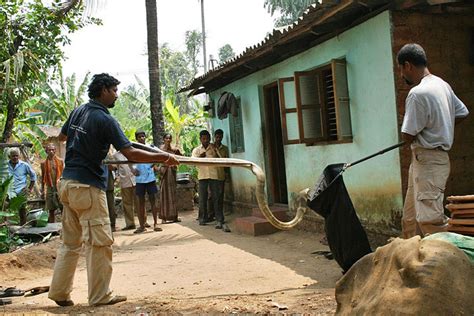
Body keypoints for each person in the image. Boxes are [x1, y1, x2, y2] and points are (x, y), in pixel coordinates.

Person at [48, 73, 179, 307]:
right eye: (114, 90)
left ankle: (59, 292)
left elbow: (63, 136)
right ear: (103, 90)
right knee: (99, 243)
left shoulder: (79, 111)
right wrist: (164, 156)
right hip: (87, 186)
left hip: (67, 183)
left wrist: (86, 147)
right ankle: (99, 296)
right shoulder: (105, 120)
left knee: (70, 242)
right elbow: (130, 153)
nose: (117, 95)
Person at [398, 43, 469, 238]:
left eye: (400, 70)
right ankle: (410, 263)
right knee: (410, 220)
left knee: (430, 221)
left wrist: (435, 129)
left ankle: (460, 257)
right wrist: (441, 126)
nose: (401, 75)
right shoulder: (442, 85)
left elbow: (408, 134)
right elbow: (462, 112)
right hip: (425, 161)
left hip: (429, 160)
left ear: (407, 66)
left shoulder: (417, 93)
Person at [134, 130, 161, 234]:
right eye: (140, 137)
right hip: (140, 179)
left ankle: (156, 223)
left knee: (153, 200)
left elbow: (160, 153)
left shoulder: (151, 147)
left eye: (143, 136)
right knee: (141, 202)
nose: (142, 138)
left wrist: (155, 164)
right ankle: (142, 225)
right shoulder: (134, 149)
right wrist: (132, 169)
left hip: (150, 178)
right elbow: (129, 160)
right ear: (137, 139)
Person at [192, 130, 220, 227]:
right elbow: (193, 162)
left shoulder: (213, 148)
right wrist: (200, 157)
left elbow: (220, 158)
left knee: (216, 197)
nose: (206, 140)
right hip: (202, 176)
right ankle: (202, 218)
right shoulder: (196, 150)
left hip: (213, 175)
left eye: (207, 138)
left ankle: (219, 219)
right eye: (203, 139)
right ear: (200, 139)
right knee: (202, 198)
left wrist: (217, 149)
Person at [7, 148, 37, 225]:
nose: (15, 158)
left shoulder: (24, 165)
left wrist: (29, 189)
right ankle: (5, 227)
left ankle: (22, 228)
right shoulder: (5, 165)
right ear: (9, 156)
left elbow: (33, 176)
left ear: (19, 156)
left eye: (17, 156)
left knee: (22, 210)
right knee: (5, 210)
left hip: (21, 191)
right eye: (13, 156)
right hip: (7, 191)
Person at [159, 133, 182, 223]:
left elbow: (181, 157)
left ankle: (174, 216)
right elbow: (154, 161)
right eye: (166, 138)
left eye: (169, 138)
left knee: (173, 193)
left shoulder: (174, 149)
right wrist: (159, 168)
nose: (168, 140)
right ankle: (164, 217)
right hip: (164, 173)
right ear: (164, 139)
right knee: (164, 194)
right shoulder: (160, 150)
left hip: (172, 173)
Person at [113, 151, 138, 230]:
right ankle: (130, 224)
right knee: (127, 203)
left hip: (135, 179)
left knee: (139, 201)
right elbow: (115, 167)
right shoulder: (115, 155)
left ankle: (143, 222)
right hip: (125, 181)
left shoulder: (131, 151)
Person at [40, 143, 64, 223]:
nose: (51, 151)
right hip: (50, 187)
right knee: (51, 209)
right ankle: (52, 229)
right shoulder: (43, 163)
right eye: (49, 150)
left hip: (60, 187)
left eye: (53, 150)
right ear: (46, 151)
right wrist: (42, 190)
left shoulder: (60, 161)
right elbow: (43, 177)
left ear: (55, 151)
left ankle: (65, 226)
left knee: (63, 207)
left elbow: (63, 174)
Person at [213, 129, 229, 230]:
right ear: (214, 137)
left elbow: (225, 161)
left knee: (220, 197)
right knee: (214, 198)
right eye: (217, 137)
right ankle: (217, 218)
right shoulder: (210, 147)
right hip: (212, 176)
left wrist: (227, 175)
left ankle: (220, 218)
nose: (219, 139)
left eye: (220, 137)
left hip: (221, 175)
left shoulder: (224, 149)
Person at [106, 163, 117, 232]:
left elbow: (115, 167)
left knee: (111, 206)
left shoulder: (108, 155)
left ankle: (112, 225)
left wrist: (109, 165)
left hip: (108, 185)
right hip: (98, 185)